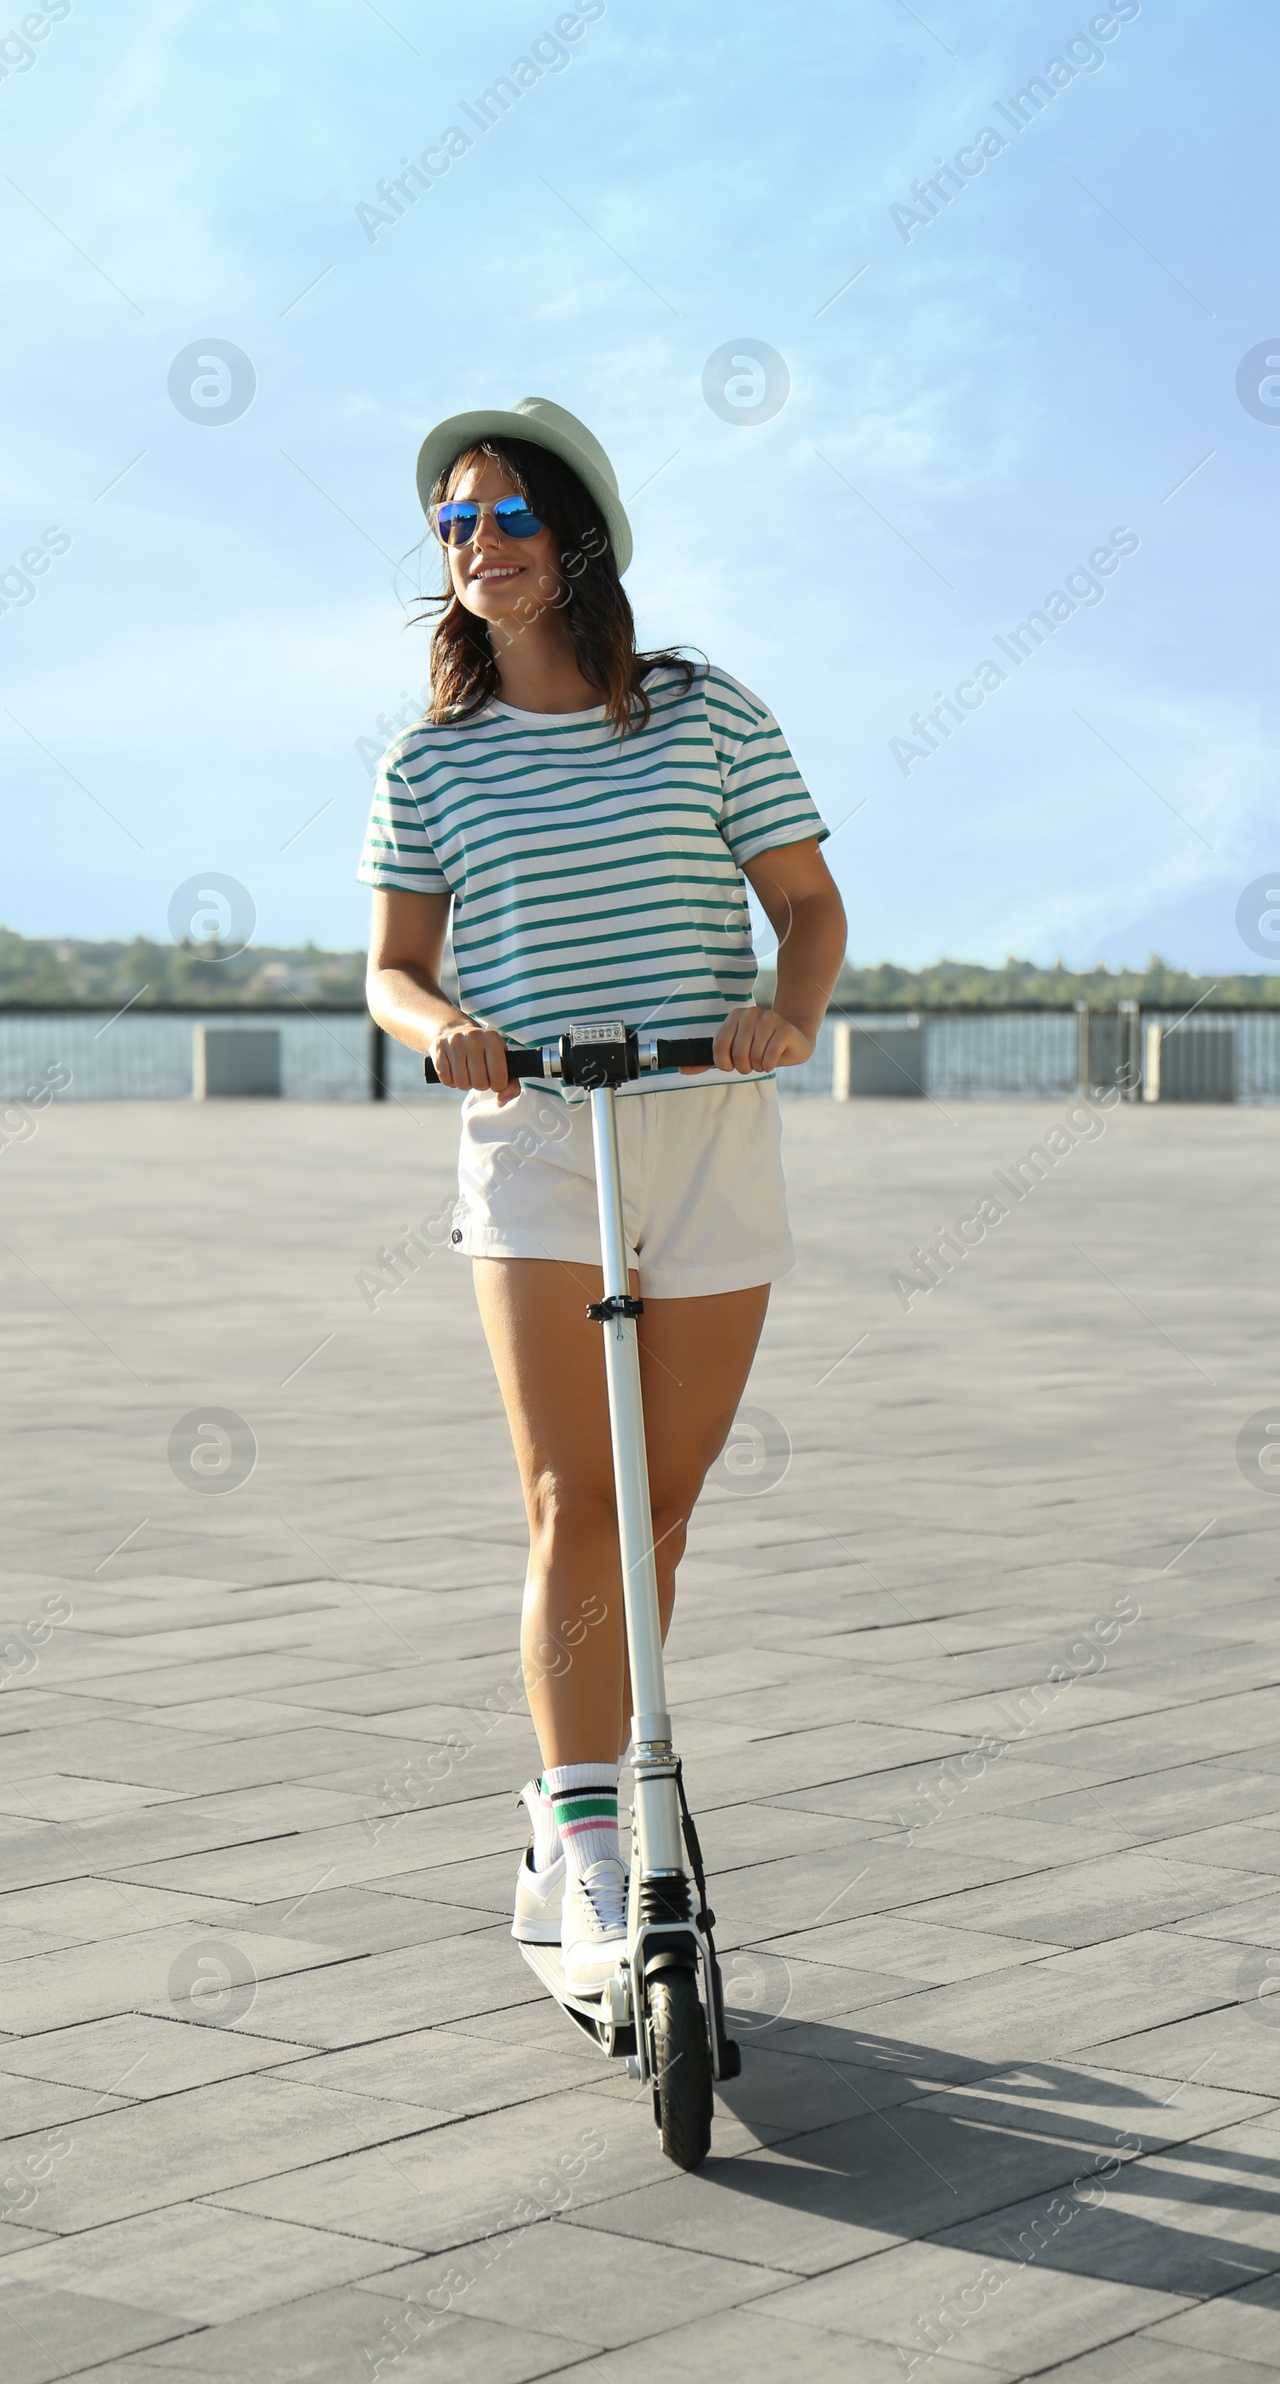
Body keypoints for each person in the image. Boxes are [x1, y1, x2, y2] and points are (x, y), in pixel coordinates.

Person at [359, 396, 847, 1994]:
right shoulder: (431, 758)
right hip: (537, 1131)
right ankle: (582, 1844)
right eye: (451, 523)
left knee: (662, 1505)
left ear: (574, 536)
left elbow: (808, 905)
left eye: (502, 515)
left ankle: (617, 1785)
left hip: (704, 1116)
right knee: (577, 1497)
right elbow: (391, 973)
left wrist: (792, 1012)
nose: (475, 544)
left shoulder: (706, 715)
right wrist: (449, 1037)